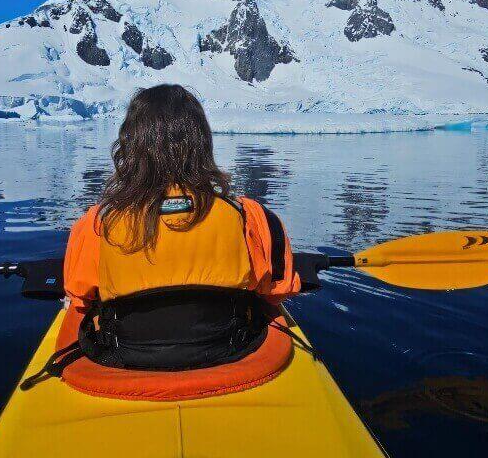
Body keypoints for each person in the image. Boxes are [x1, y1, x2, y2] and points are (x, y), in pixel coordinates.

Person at [57, 84, 309, 372]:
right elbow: (277, 291)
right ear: (201, 143)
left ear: (130, 146)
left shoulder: (98, 223)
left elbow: (79, 295)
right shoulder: (250, 216)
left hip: (125, 354)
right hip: (229, 349)